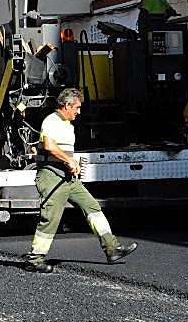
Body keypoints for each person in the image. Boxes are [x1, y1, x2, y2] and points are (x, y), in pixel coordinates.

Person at [26, 88, 137, 273]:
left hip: (68, 178)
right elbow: (49, 145)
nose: (79, 111)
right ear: (66, 105)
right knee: (51, 217)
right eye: (76, 107)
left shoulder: (68, 125)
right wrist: (69, 160)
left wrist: (71, 162)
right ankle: (35, 260)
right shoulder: (52, 120)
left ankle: (112, 248)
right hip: (52, 176)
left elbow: (61, 151)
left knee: (92, 207)